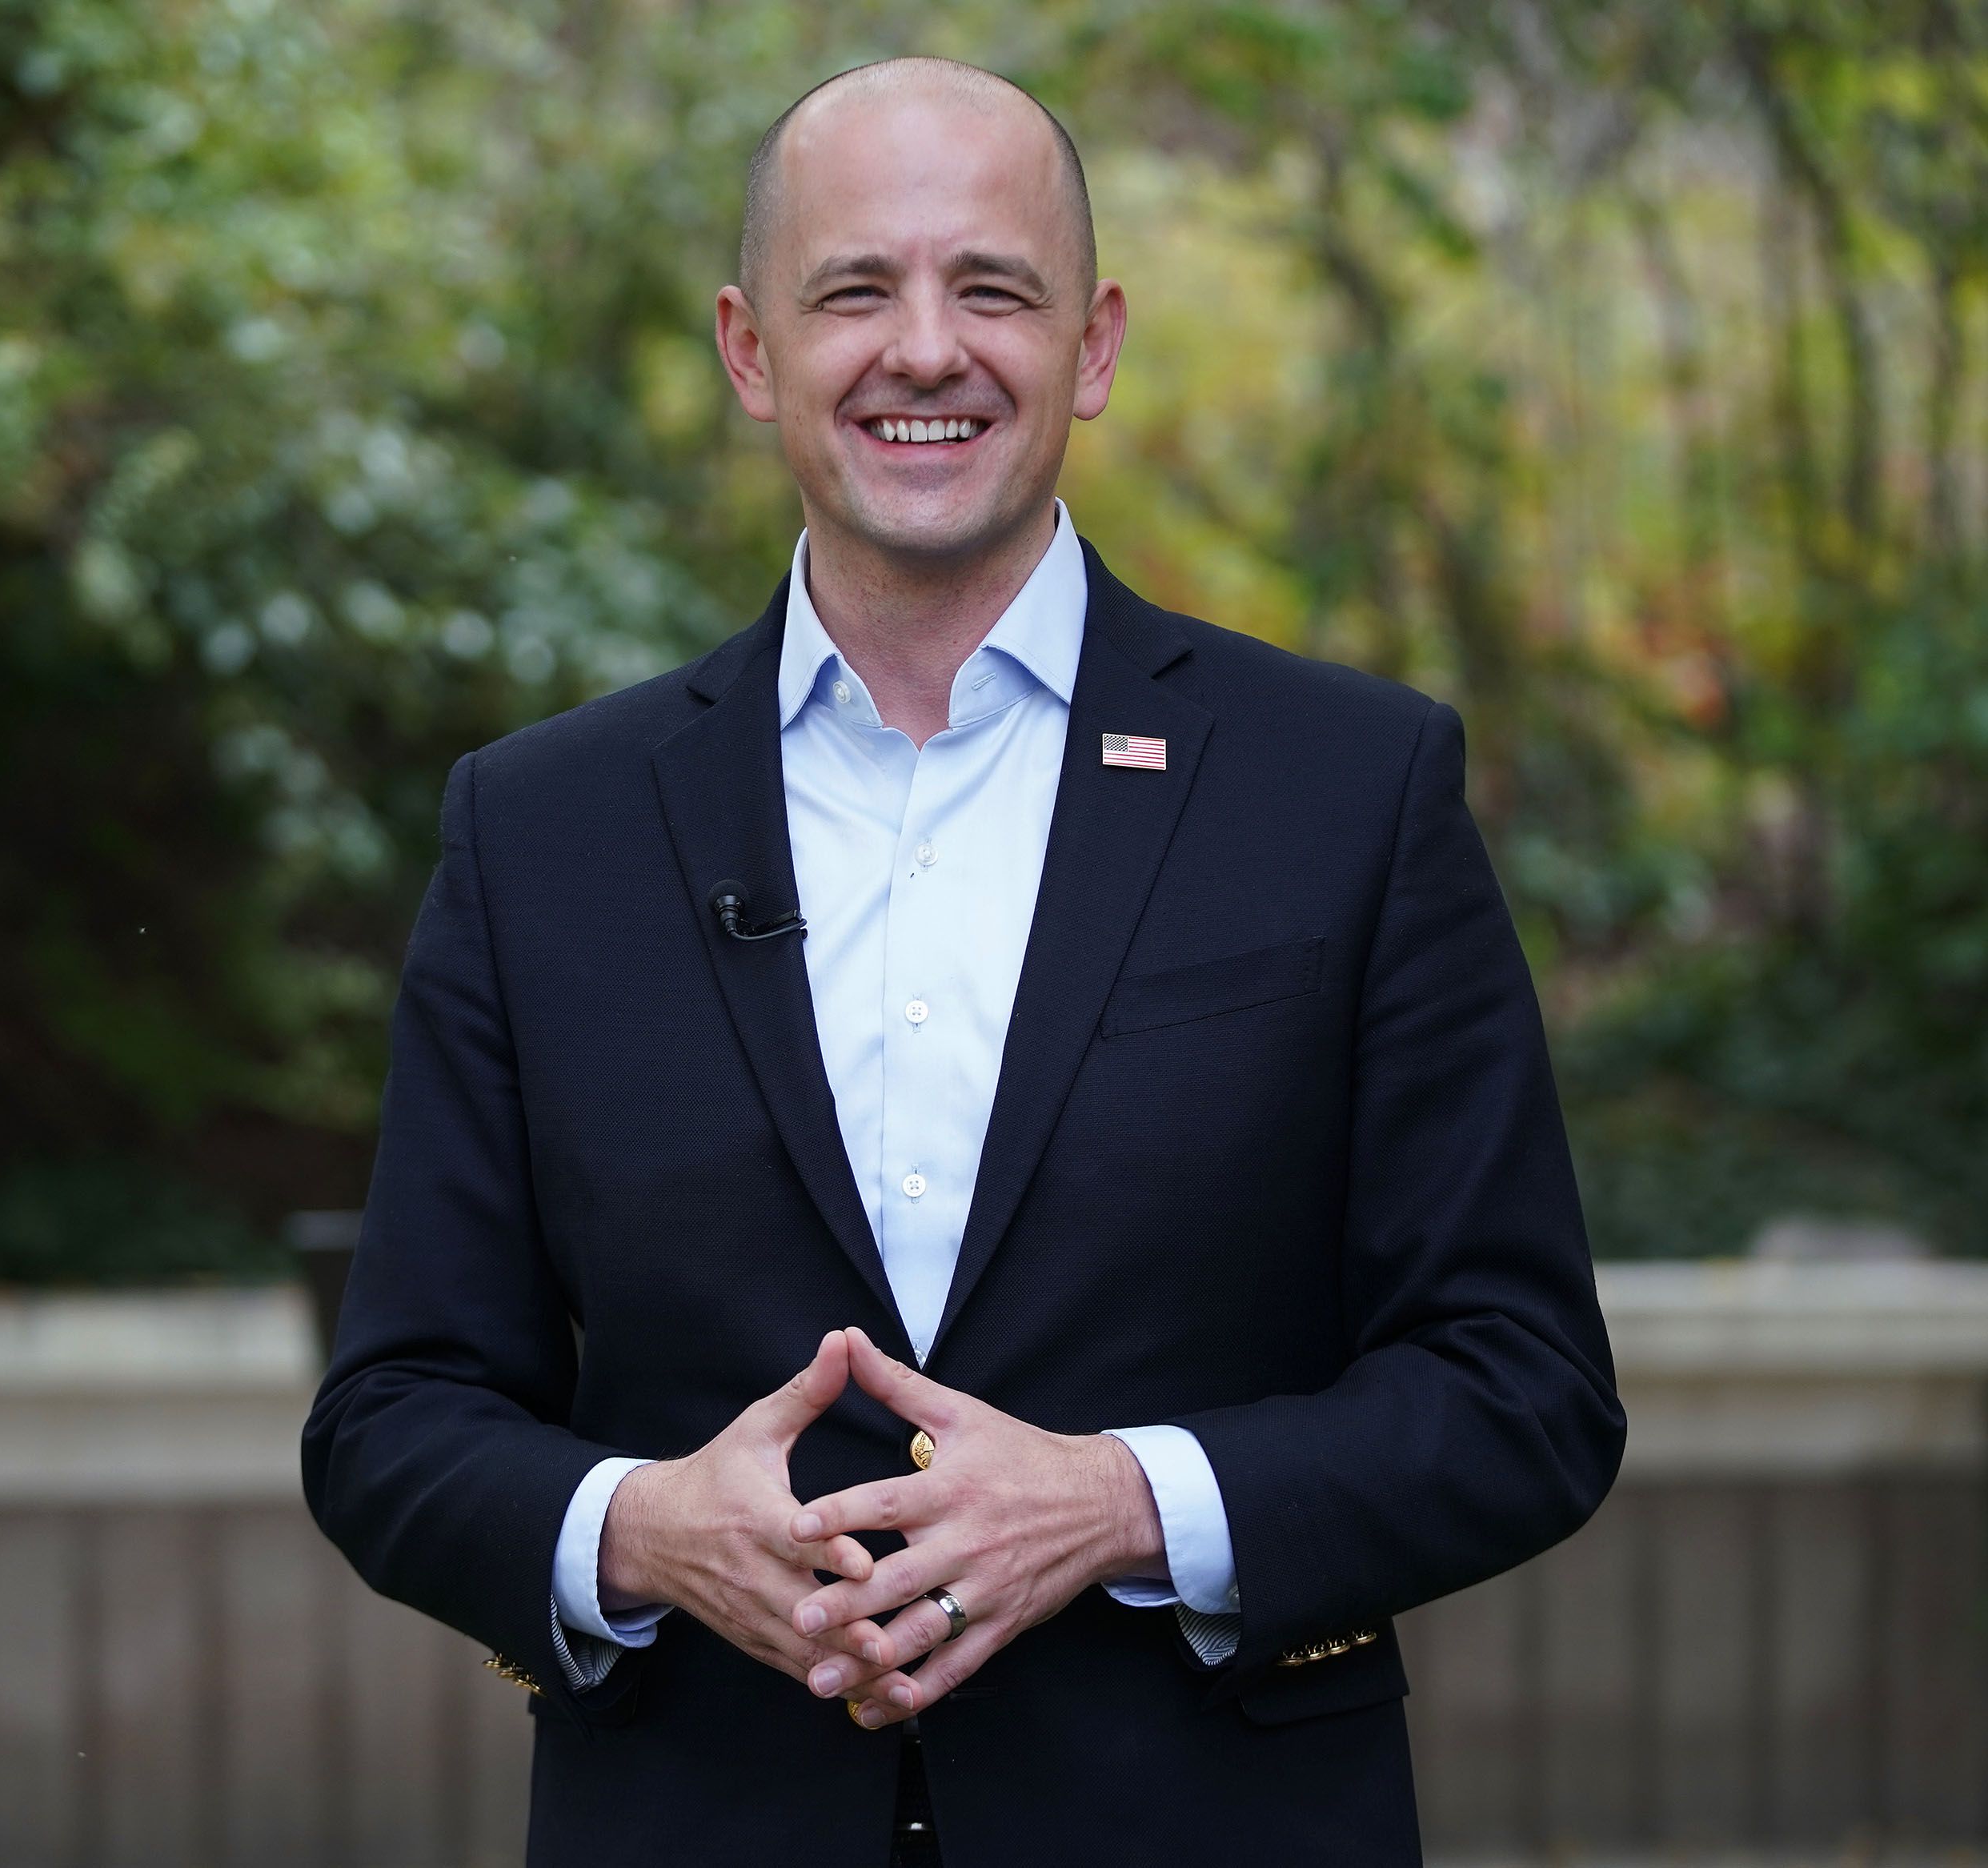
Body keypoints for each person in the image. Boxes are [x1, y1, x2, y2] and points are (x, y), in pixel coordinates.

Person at [303, 55, 1625, 1866]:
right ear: (750, 349)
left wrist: (1121, 1502)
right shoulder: (541, 829)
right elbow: (389, 1418)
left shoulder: (1350, 787)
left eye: (989, 288)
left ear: (1092, 347)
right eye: (856, 289)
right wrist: (643, 1530)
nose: (926, 349)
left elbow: (1525, 1387)